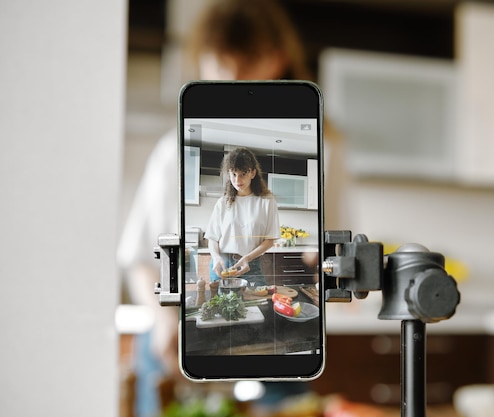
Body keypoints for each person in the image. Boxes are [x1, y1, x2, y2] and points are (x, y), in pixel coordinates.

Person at [117, 0, 350, 415]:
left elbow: (333, 257)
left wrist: (316, 267)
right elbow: (138, 258)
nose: (232, 78)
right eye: (221, 63)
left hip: (273, 350)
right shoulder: (173, 150)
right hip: (176, 346)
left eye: (246, 63)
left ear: (278, 60)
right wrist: (163, 318)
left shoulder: (321, 150)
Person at [205, 147, 280, 286]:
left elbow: (269, 239)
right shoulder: (223, 202)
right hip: (223, 264)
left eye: (243, 174)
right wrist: (215, 258)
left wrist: (247, 258)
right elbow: (212, 238)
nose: (237, 180)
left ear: (252, 173)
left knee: (257, 305)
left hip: (251, 264)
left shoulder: (267, 201)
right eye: (233, 174)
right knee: (221, 306)